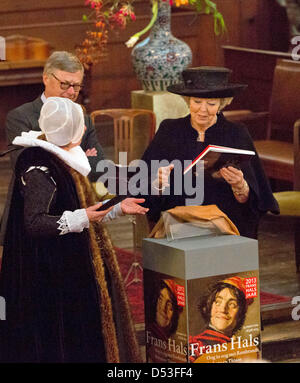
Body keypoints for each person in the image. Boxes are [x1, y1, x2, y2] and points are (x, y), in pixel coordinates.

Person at [0, 97, 148, 363]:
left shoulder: (64, 156)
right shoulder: (39, 168)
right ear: (72, 130)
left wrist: (116, 208)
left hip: (71, 265)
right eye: (82, 125)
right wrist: (82, 216)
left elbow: (82, 209)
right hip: (51, 276)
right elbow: (35, 222)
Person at [141, 66, 279, 238]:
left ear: (222, 103)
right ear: (187, 100)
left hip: (224, 224)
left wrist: (240, 187)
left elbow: (254, 201)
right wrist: (158, 184)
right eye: (197, 102)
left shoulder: (237, 133)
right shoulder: (169, 130)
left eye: (211, 104)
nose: (203, 109)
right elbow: (142, 183)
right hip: (178, 223)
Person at [0, 51, 105, 245]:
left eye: (76, 86)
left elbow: (99, 165)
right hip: (32, 218)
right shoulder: (20, 117)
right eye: (65, 84)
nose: (71, 92)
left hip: (78, 213)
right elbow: (26, 166)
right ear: (46, 78)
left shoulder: (84, 117)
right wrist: (79, 154)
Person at [189, 276, 253, 362]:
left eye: (232, 304)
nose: (223, 310)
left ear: (240, 313)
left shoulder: (243, 348)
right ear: (209, 307)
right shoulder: (195, 345)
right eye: (217, 302)